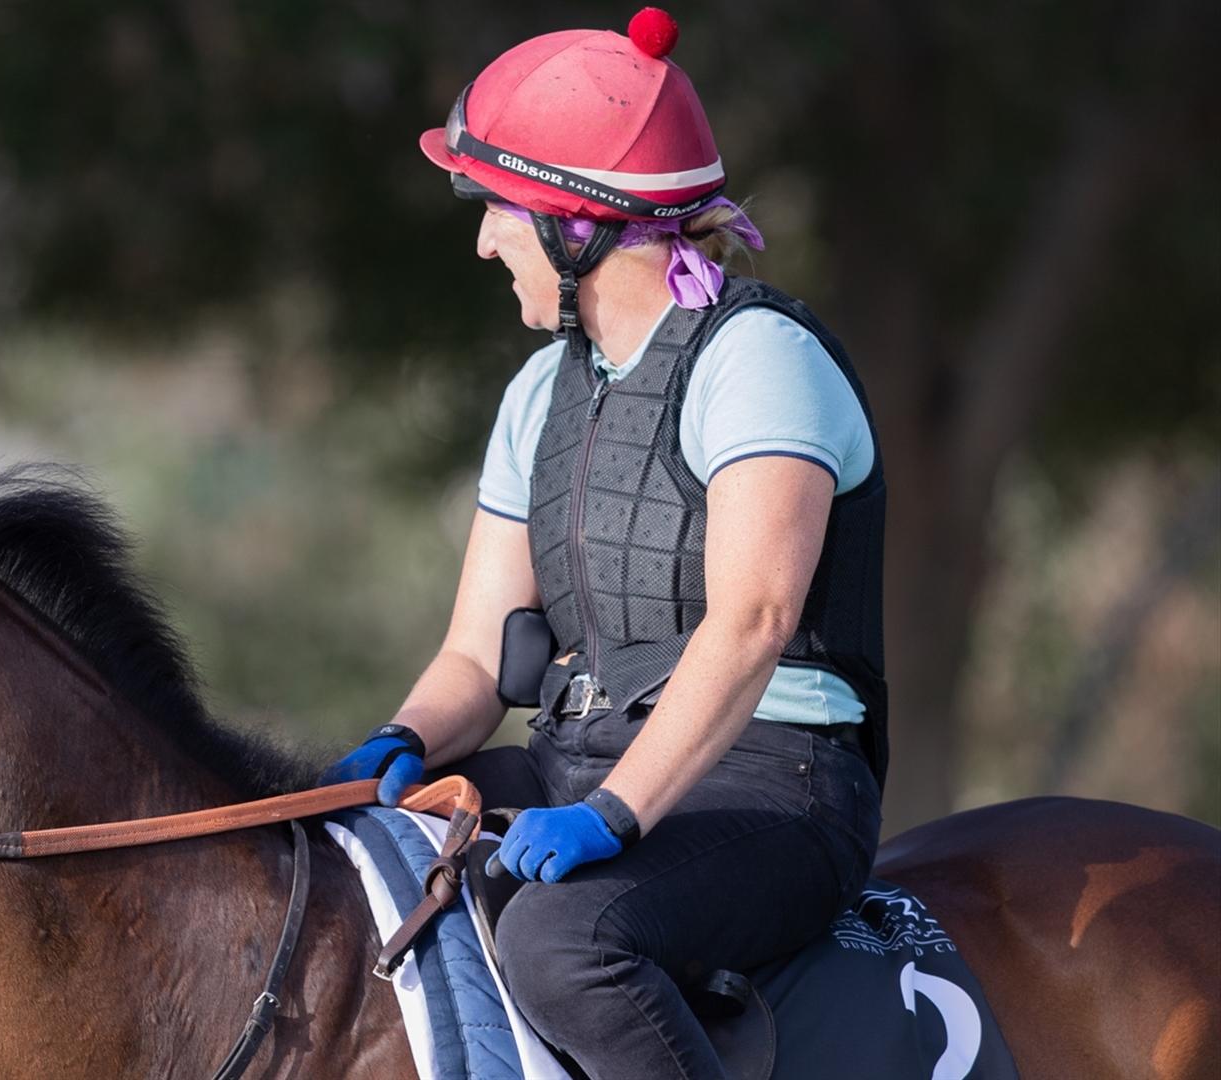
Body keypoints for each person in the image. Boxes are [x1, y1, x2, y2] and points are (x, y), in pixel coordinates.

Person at [321, 9, 887, 1078]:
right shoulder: (540, 391)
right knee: (361, 866)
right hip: (571, 759)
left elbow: (753, 622)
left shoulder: (759, 361)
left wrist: (615, 817)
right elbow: (477, 655)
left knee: (563, 944)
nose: (484, 240)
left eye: (499, 209)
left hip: (775, 787)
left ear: (578, 226)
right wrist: (400, 739)